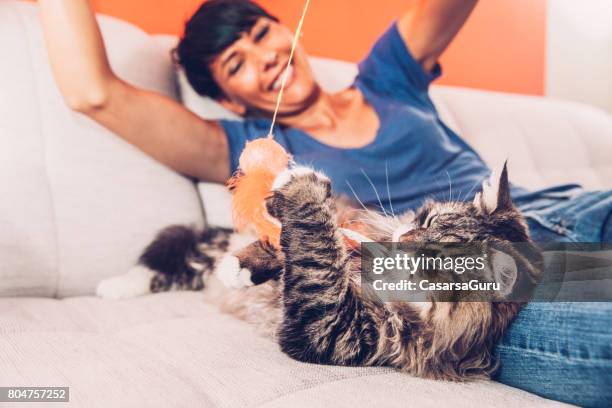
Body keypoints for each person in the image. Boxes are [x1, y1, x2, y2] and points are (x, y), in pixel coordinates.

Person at [39, 0, 611, 406]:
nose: (262, 58)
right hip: (452, 271)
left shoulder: (385, 78)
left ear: (287, 30)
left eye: (262, 34)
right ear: (227, 99)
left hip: (550, 208)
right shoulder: (247, 148)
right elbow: (92, 92)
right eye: (235, 64)